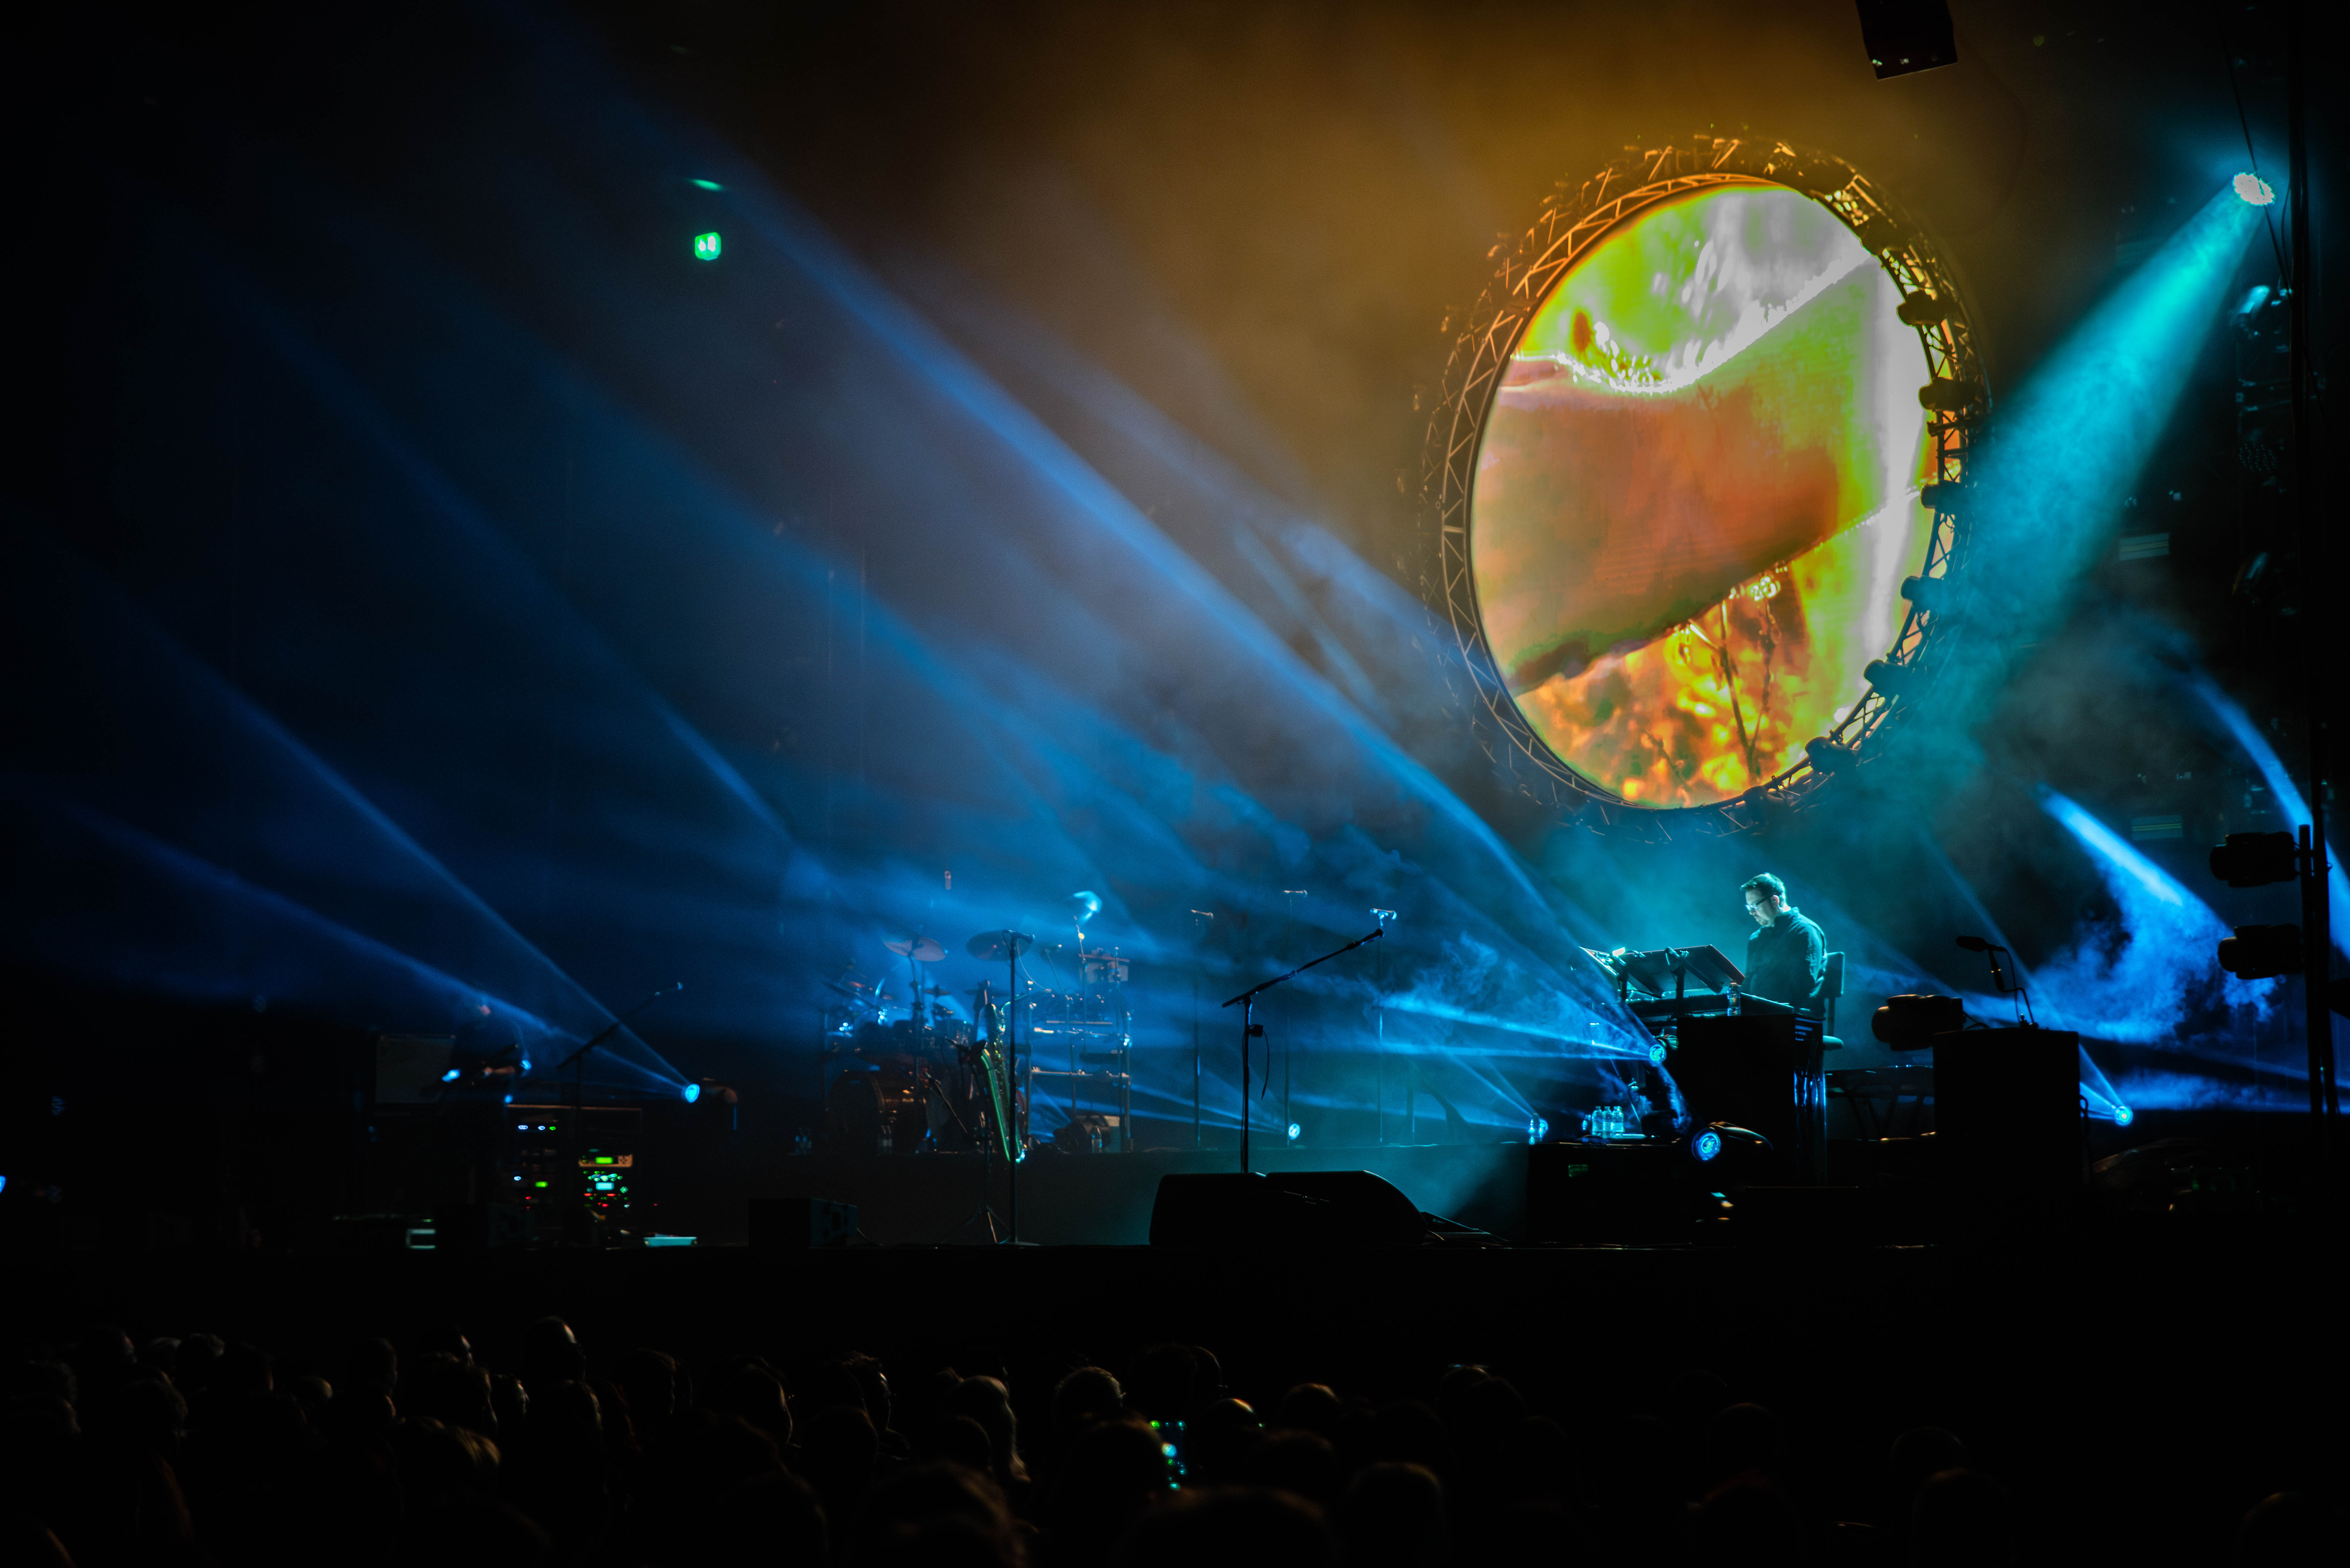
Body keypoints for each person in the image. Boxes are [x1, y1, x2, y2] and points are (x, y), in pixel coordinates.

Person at [1740, 875, 1826, 1013]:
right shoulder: (1757, 938)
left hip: (1792, 1018)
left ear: (1775, 901)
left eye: (1755, 906)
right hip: (1761, 1015)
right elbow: (1748, 983)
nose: (1751, 912)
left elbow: (1802, 987)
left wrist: (1761, 1007)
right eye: (1749, 907)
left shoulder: (1804, 932)